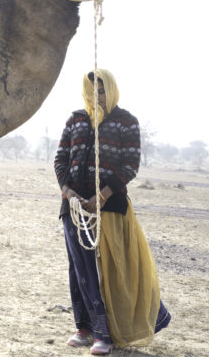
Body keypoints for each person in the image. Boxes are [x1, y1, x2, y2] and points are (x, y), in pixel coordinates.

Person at [54, 69, 171, 355]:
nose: (98, 96)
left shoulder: (126, 121)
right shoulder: (75, 119)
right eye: (92, 91)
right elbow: (60, 159)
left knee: (115, 269)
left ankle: (108, 333)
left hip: (111, 208)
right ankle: (86, 329)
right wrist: (68, 191)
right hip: (74, 208)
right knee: (79, 269)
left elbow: (130, 165)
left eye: (102, 90)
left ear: (112, 90)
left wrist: (103, 195)